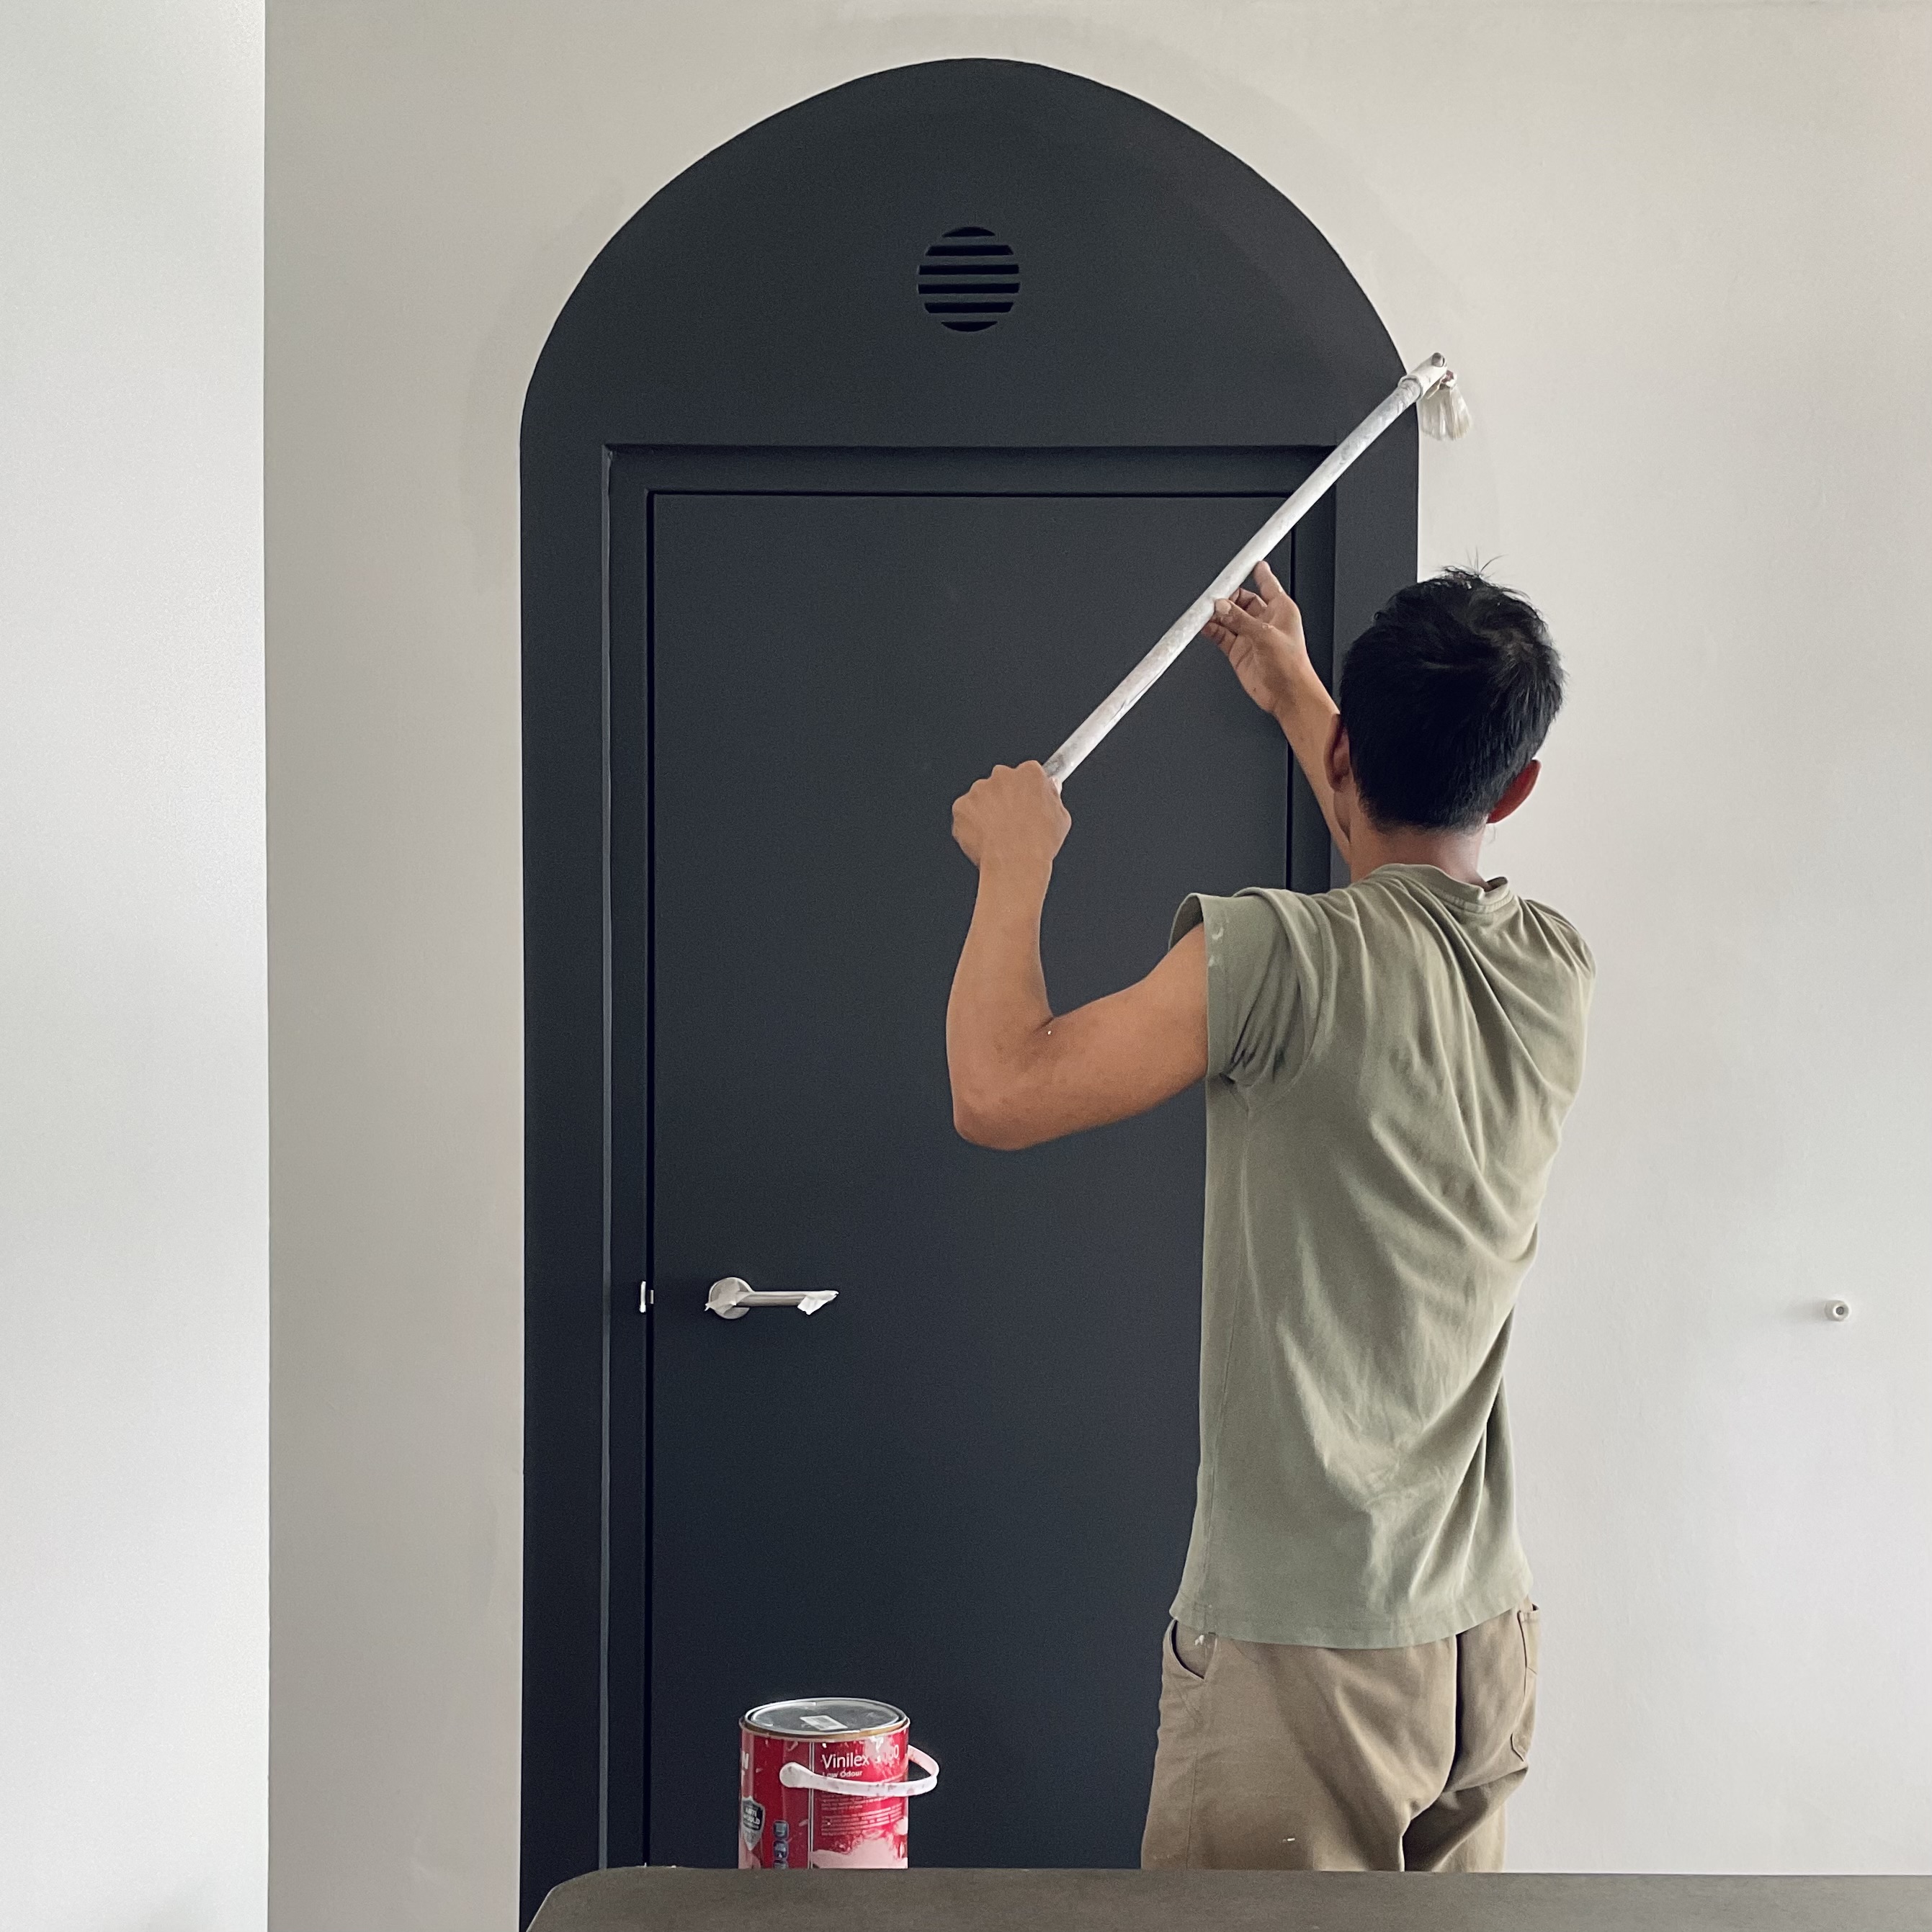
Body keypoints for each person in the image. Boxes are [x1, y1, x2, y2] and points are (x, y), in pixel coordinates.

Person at [945, 561, 1592, 1873]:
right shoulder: (1552, 968)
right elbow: (1409, 872)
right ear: (1515, 787)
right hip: (1479, 1643)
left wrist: (1013, 866)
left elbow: (999, 1090)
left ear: (1351, 749)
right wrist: (1302, 697)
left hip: (1310, 1650)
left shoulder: (1276, 961)